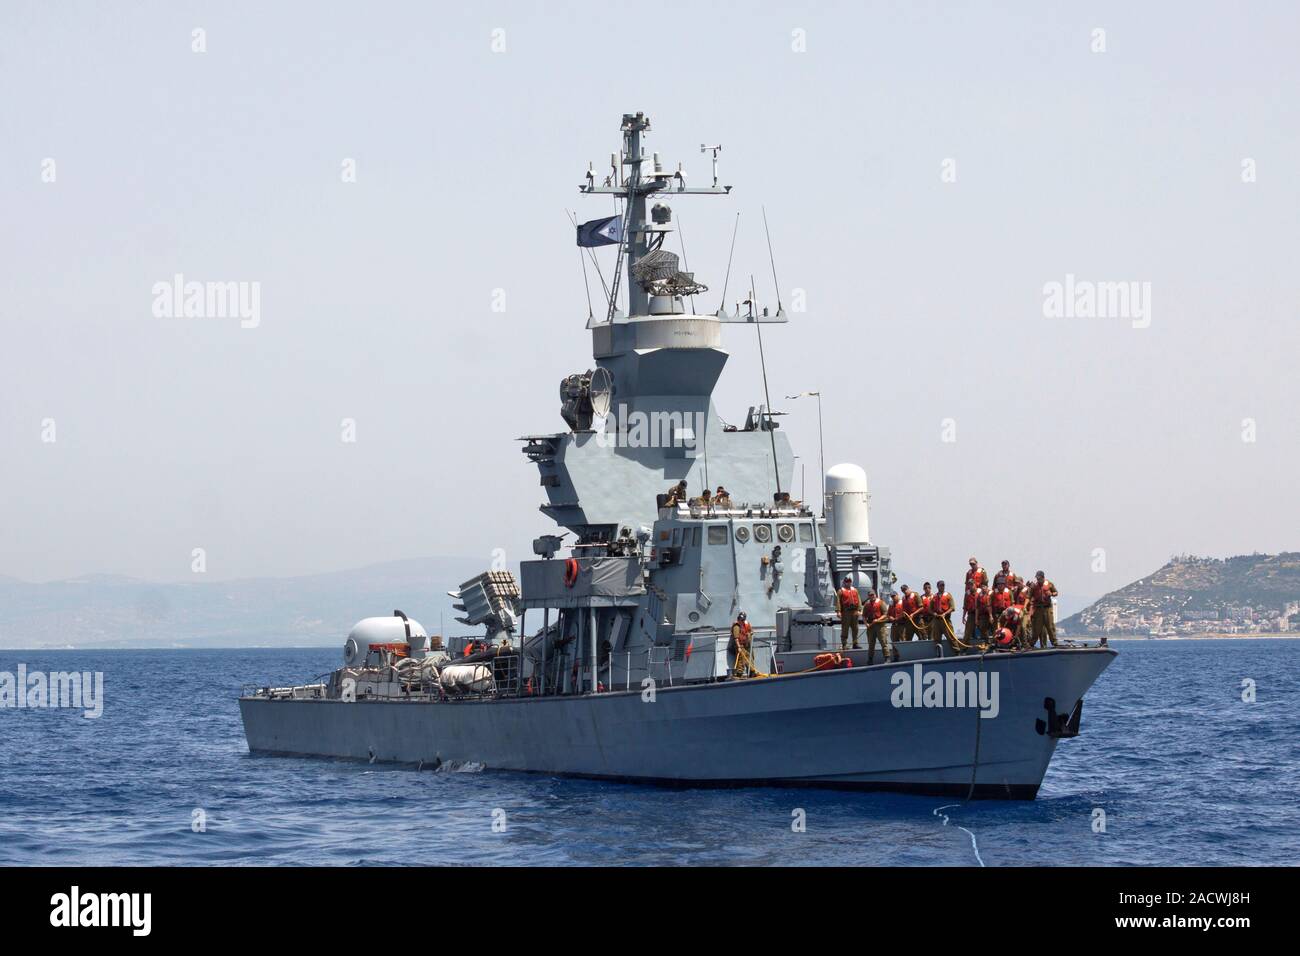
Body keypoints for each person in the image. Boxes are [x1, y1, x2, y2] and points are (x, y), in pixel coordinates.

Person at [1029, 571, 1060, 648]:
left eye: (1039, 578)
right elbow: (1029, 596)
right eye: (1037, 578)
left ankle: (1054, 642)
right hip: (1038, 608)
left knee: (1050, 626)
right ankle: (1031, 644)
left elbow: (1056, 592)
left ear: (1043, 577)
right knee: (1037, 627)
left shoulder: (1049, 584)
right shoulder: (1034, 586)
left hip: (1047, 608)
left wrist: (1051, 594)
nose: (1038, 580)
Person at [863, 589, 892, 664]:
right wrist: (866, 623)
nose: (872, 596)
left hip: (880, 626)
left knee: (883, 642)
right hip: (871, 626)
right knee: (871, 644)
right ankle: (870, 659)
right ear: (868, 596)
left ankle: (887, 658)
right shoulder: (867, 604)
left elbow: (885, 614)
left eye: (873, 595)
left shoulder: (881, 603)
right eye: (870, 595)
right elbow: (863, 616)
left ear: (875, 595)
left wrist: (878, 619)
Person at [928, 580, 957, 650]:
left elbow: (952, 608)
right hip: (937, 620)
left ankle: (957, 651)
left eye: (943, 585)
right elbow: (930, 609)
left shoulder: (948, 595)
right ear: (937, 587)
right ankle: (938, 653)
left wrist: (945, 613)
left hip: (945, 620)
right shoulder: (934, 597)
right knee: (936, 638)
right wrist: (933, 613)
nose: (942, 587)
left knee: (951, 637)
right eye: (941, 585)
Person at [836, 576, 861, 650]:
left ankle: (855, 643)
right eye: (847, 581)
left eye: (849, 581)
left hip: (854, 612)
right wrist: (838, 611)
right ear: (844, 582)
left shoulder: (855, 590)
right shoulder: (841, 591)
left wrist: (859, 609)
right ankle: (844, 644)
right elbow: (838, 602)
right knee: (845, 628)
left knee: (855, 628)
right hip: (846, 612)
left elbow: (859, 600)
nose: (848, 583)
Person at [731, 611, 754, 677]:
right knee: (741, 659)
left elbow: (751, 631)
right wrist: (738, 647)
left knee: (750, 657)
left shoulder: (746, 624)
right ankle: (739, 673)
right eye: (741, 619)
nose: (742, 620)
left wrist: (750, 634)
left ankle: (752, 672)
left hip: (746, 645)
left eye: (743, 619)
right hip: (740, 645)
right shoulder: (736, 626)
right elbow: (736, 638)